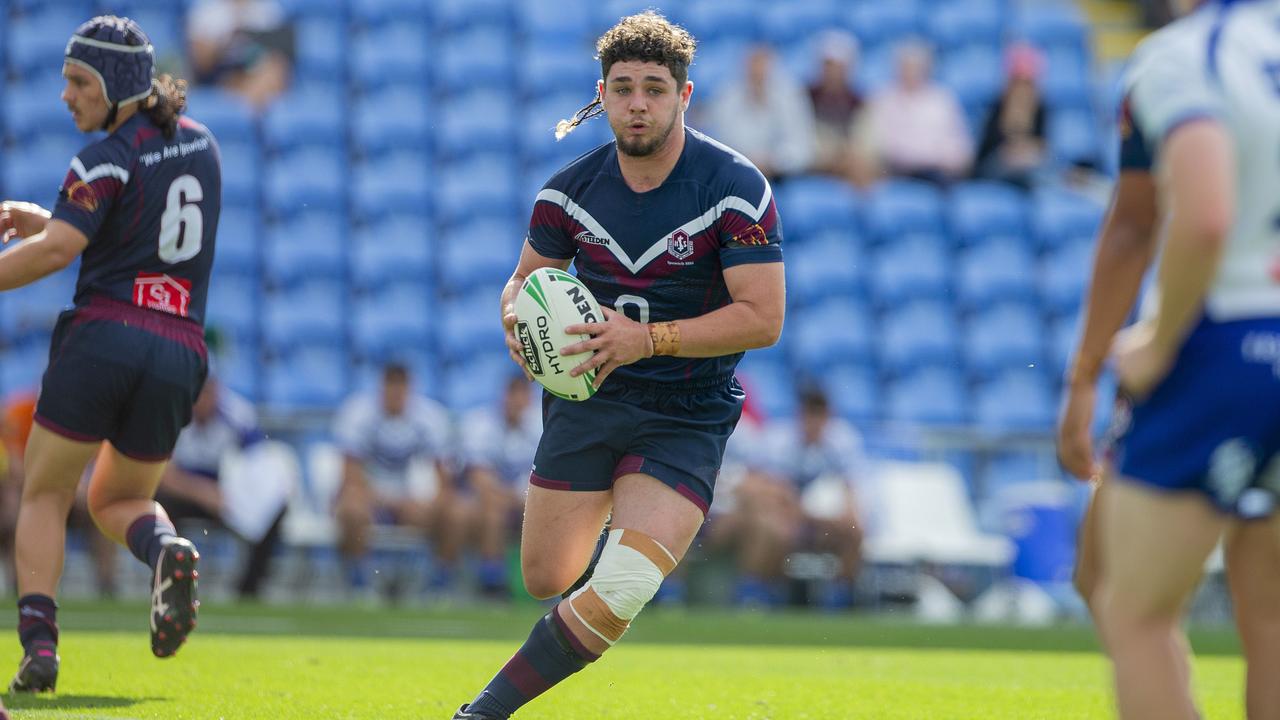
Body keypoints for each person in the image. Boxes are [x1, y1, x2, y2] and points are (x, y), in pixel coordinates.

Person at [453, 11, 785, 719]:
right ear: (600, 95)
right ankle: (624, 521)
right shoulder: (567, 192)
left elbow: (764, 318)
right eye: (624, 88)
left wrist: (651, 340)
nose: (639, 103)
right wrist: (515, 318)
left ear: (684, 97)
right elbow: (522, 281)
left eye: (655, 89)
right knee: (547, 576)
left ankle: (480, 713)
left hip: (687, 411)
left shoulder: (735, 187)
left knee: (624, 584)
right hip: (590, 400)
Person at [1058, 1, 1280, 717]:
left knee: (1129, 604)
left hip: (1230, 343)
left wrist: (1138, 348)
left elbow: (1180, 218)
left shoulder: (1185, 55)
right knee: (1271, 617)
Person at [0, 15, 219, 691]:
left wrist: (55, 229)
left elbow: (63, 250)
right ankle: (164, 548)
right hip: (180, 347)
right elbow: (142, 229)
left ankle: (39, 645)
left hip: (104, 337)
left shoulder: (101, 157)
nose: (66, 95)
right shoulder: (203, 147)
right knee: (117, 498)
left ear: (117, 83)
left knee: (44, 492)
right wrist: (62, 217)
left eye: (77, 81)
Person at [332, 363, 460, 596]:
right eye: (391, 389)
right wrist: (391, 501)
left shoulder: (430, 418)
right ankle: (359, 580)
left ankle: (438, 582)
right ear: (382, 388)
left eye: (400, 390)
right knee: (351, 509)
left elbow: (444, 480)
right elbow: (350, 476)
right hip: (370, 497)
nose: (395, 396)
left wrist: (430, 504)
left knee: (453, 512)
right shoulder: (358, 413)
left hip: (412, 499)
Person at [730, 386, 865, 608]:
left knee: (854, 532)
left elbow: (851, 488)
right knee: (774, 529)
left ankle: (841, 595)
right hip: (783, 511)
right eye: (809, 416)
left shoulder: (842, 440)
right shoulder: (778, 439)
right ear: (800, 415)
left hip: (819, 516)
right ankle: (757, 591)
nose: (813, 424)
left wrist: (847, 515)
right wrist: (789, 501)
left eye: (819, 417)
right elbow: (754, 483)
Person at [155, 375, 284, 599]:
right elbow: (163, 474)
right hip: (187, 493)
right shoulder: (173, 415)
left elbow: (259, 465)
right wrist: (203, 492)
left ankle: (249, 589)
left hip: (229, 495)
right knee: (160, 506)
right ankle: (171, 578)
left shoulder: (237, 416)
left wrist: (235, 495)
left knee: (275, 509)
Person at [459, 375, 541, 599]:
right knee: (493, 510)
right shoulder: (481, 423)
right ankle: (492, 579)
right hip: (484, 500)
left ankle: (548, 580)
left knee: (552, 510)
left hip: (526, 499)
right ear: (503, 397)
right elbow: (479, 478)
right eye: (512, 395)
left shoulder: (541, 426)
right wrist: (517, 498)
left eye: (522, 395)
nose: (516, 402)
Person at [705, 42, 816, 183]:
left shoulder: (790, 97)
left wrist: (774, 162)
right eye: (753, 68)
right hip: (735, 174)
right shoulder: (726, 97)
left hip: (782, 177)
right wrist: (748, 160)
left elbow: (801, 147)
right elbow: (719, 141)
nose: (758, 73)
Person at [864, 40, 973, 183]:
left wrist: (943, 160)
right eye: (906, 66)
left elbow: (959, 145)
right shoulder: (882, 98)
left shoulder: (942, 99)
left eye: (916, 67)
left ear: (926, 68)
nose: (911, 72)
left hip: (935, 171)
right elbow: (877, 142)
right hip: (894, 170)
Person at [186, 0, 293, 110]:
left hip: (259, 69)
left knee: (273, 71)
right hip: (223, 75)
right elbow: (202, 63)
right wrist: (226, 43)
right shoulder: (207, 11)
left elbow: (281, 52)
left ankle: (249, 116)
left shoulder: (269, 10)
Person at [974, 43, 1049, 190]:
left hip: (1027, 167)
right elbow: (987, 150)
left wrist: (1029, 151)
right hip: (994, 169)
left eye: (1027, 82)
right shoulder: (998, 106)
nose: (1022, 88)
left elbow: (1041, 145)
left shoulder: (1040, 108)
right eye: (1018, 81)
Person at [804, 30, 874, 187]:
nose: (833, 72)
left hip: (847, 164)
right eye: (829, 66)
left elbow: (866, 142)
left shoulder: (858, 101)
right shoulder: (806, 97)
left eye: (838, 67)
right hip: (815, 164)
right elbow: (801, 138)